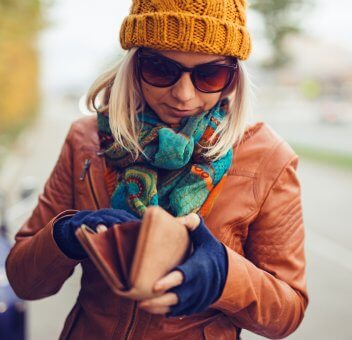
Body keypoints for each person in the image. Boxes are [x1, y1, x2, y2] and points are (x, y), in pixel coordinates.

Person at [6, 0, 309, 339]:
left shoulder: (269, 157)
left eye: (210, 74)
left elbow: (287, 312)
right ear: (134, 64)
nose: (183, 95)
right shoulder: (85, 140)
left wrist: (225, 275)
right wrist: (65, 235)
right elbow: (23, 280)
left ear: (234, 77)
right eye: (160, 70)